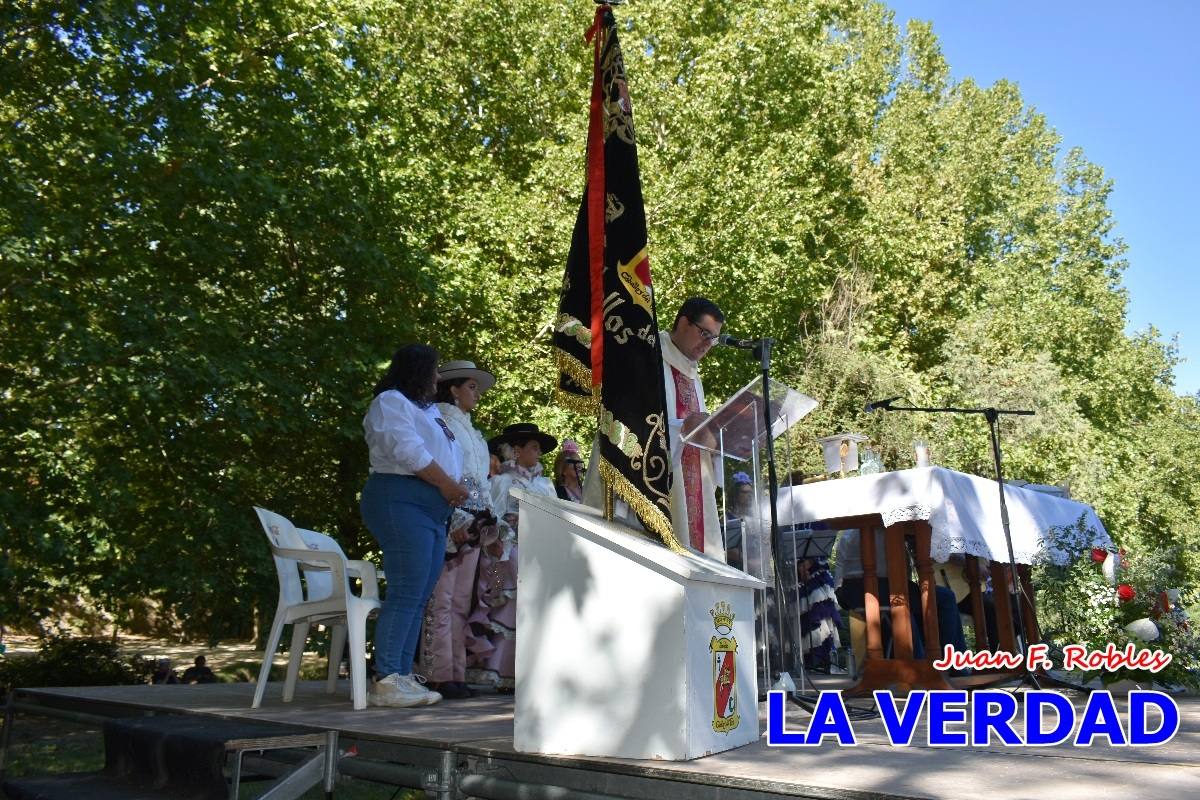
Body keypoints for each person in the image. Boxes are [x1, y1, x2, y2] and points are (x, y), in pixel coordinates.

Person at [360, 343, 469, 708]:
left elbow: (443, 453)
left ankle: (401, 675)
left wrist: (453, 486)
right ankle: (386, 679)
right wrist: (446, 484)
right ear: (417, 370)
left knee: (420, 594)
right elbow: (407, 451)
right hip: (401, 499)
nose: (438, 379)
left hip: (432, 509)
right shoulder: (391, 401)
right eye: (434, 371)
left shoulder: (428, 411)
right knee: (407, 589)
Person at [416, 360, 505, 700]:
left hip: (475, 522)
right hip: (450, 517)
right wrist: (454, 517)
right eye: (471, 387)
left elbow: (482, 484)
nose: (476, 394)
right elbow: (443, 472)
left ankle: (455, 672)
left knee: (459, 602)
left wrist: (491, 523)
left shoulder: (471, 430)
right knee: (442, 598)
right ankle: (436, 673)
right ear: (452, 388)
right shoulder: (437, 421)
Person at [469, 423, 557, 692]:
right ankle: (501, 672)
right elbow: (490, 516)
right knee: (510, 605)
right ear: (517, 451)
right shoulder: (501, 482)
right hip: (508, 553)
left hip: (540, 553)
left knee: (535, 608)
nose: (538, 452)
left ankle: (528, 673)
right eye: (533, 447)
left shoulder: (544, 484)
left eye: (538, 448)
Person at [661, 297, 726, 560]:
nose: (708, 344)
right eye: (704, 333)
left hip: (696, 485)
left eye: (714, 339)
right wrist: (684, 429)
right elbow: (634, 424)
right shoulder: (649, 356)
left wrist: (717, 442)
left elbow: (698, 432)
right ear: (683, 322)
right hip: (661, 488)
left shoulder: (692, 372)